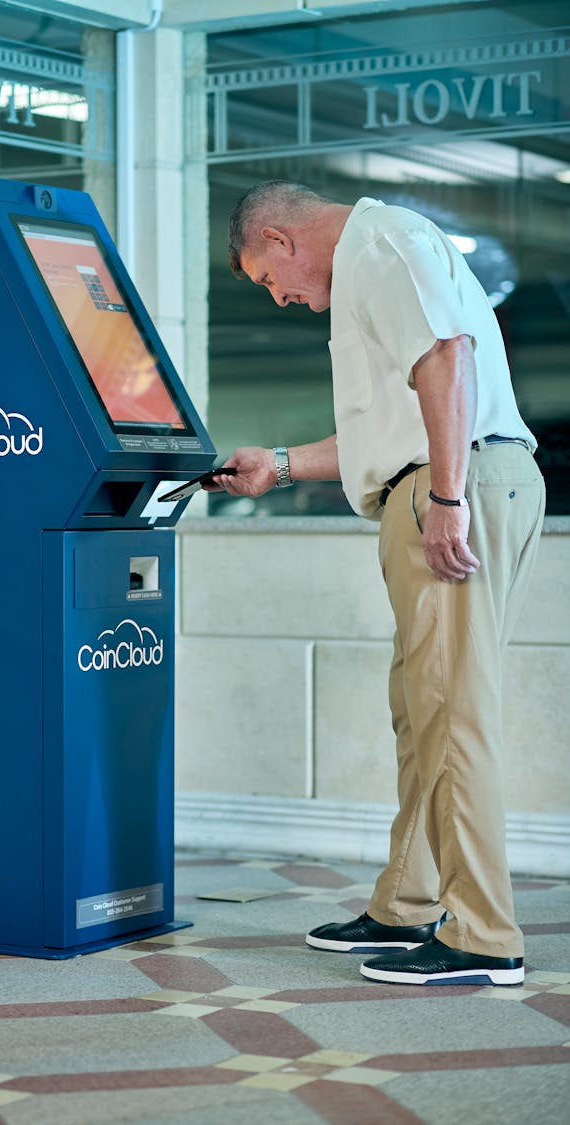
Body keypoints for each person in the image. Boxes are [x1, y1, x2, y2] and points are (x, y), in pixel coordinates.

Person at [212, 181, 545, 987]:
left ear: (282, 239)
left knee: (453, 709)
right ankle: (409, 903)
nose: (282, 297)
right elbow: (385, 428)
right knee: (422, 705)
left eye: (267, 277)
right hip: (440, 478)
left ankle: (484, 934)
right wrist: (283, 465)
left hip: (453, 485)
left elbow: (448, 361)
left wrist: (446, 497)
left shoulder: (381, 243)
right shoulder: (370, 262)